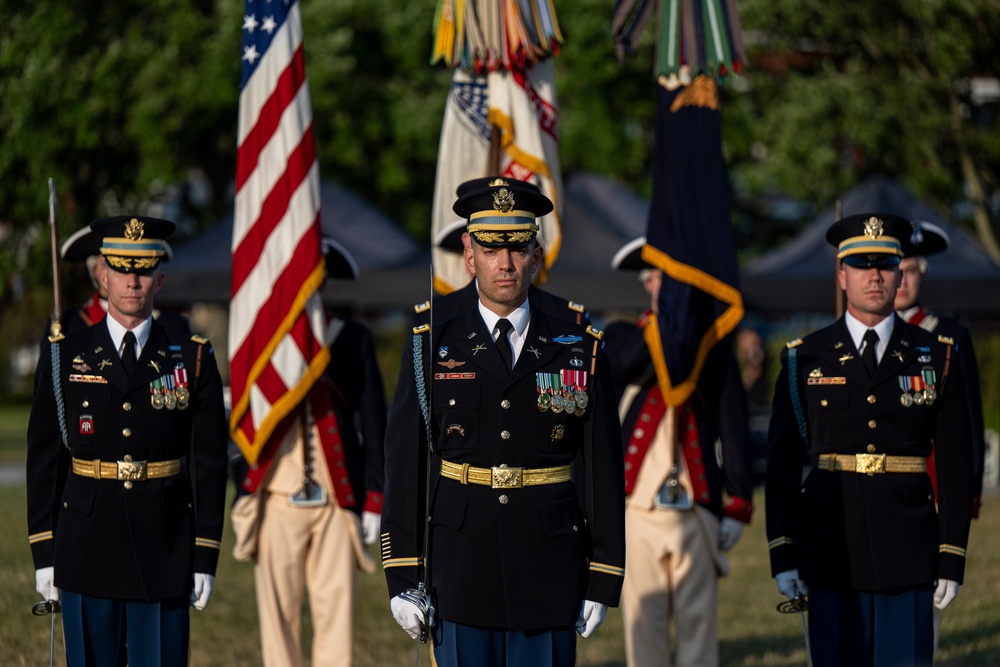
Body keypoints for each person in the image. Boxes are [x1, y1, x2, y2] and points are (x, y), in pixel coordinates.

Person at [381, 177, 626, 667]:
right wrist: (403, 574)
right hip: (458, 567)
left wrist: (603, 573)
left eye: (517, 247)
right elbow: (405, 460)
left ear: (536, 253)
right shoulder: (433, 335)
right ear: (469, 253)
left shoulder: (578, 338)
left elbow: (602, 466)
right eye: (492, 249)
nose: (506, 263)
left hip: (549, 567)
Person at [766, 213, 974, 667]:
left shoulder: (935, 355)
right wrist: (782, 554)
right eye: (861, 265)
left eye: (885, 264)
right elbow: (782, 465)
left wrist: (952, 555)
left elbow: (957, 464)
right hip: (829, 549)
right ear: (842, 275)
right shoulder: (806, 357)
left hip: (909, 551)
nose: (874, 276)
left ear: (901, 271)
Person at [27, 215, 229, 666]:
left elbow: (208, 464)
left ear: (160, 277)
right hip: (85, 547)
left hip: (164, 547)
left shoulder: (193, 356)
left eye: (142, 270)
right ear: (103, 275)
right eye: (121, 269)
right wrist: (44, 551)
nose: (132, 281)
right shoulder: (65, 354)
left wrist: (205, 555)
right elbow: (45, 459)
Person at [230, 237, 387, 667]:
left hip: (337, 500)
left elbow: (374, 425)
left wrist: (374, 498)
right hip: (276, 497)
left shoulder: (351, 339)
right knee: (277, 624)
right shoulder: (260, 341)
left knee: (335, 621)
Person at [605, 239, 754, 667]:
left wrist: (739, 499)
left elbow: (733, 422)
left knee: (699, 629)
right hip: (636, 508)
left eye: (675, 283)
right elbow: (627, 363)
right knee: (643, 627)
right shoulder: (623, 336)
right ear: (648, 285)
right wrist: (668, 326)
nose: (666, 291)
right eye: (659, 282)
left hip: (698, 507)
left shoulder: (713, 345)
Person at [895, 220, 986, 518]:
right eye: (895, 272)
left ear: (922, 275)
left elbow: (970, 418)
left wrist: (971, 486)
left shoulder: (949, 334)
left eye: (910, 271)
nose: (902, 282)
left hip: (935, 480)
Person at [58, 223, 191, 334]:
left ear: (158, 281)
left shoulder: (172, 325)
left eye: (141, 269)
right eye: (117, 266)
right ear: (99, 273)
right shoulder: (69, 323)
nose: (132, 281)